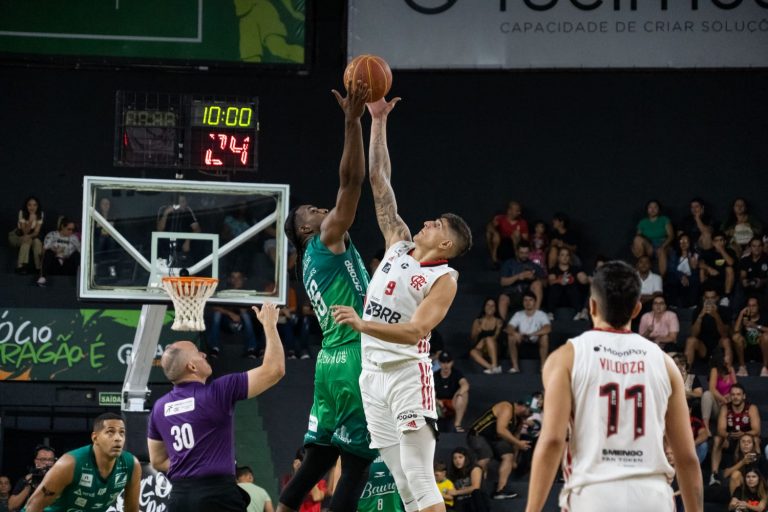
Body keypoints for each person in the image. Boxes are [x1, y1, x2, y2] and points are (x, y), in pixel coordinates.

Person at [332, 95, 472, 512]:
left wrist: (361, 325)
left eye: (436, 225)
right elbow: (379, 180)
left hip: (408, 375)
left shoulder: (443, 279)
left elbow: (416, 331)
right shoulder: (398, 241)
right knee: (400, 481)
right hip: (372, 375)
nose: (426, 222)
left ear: (445, 243)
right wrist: (377, 121)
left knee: (419, 475)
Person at [525, 260, 702, 512]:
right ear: (637, 309)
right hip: (653, 497)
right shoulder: (665, 363)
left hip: (594, 494)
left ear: (592, 305)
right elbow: (686, 458)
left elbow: (553, 440)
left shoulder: (565, 357)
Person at [280, 82, 377, 512]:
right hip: (354, 354)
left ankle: (285, 506)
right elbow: (352, 180)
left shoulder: (313, 261)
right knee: (356, 460)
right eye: (313, 211)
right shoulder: (325, 241)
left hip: (329, 361)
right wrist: (352, 121)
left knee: (321, 452)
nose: (323, 210)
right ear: (304, 230)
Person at [147, 303, 285, 512]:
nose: (203, 354)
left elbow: (157, 461)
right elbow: (275, 370)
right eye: (198, 354)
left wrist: (190, 465)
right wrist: (270, 325)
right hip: (218, 495)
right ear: (192, 367)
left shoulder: (159, 407)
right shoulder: (218, 391)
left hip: (179, 499)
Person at [22, 413, 140, 512]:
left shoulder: (131, 464)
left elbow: (132, 510)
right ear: (95, 438)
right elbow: (33, 506)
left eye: (122, 432)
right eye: (110, 432)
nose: (118, 438)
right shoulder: (70, 463)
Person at [466, 401, 530, 500]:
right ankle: (474, 489)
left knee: (508, 456)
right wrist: (518, 443)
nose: (529, 414)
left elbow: (516, 439)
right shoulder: (507, 407)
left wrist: (514, 459)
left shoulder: (520, 421)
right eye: (528, 410)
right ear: (521, 406)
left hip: (494, 439)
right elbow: (501, 430)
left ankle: (500, 491)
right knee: (486, 456)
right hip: (478, 434)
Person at [711, 384, 761, 487]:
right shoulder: (725, 408)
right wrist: (728, 435)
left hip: (746, 438)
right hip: (731, 438)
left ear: (744, 396)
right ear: (730, 396)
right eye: (733, 394)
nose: (735, 397)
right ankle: (714, 475)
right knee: (717, 439)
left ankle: (758, 471)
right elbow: (720, 429)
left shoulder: (751, 408)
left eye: (738, 394)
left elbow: (757, 430)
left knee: (756, 439)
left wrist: (744, 434)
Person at [206, 271, 262, 359]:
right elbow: (215, 307)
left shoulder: (248, 292)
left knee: (246, 316)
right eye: (233, 277)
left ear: (243, 279)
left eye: (238, 277)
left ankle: (251, 348)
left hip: (243, 323)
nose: (236, 280)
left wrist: (239, 296)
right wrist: (230, 313)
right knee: (217, 314)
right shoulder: (225, 291)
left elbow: (249, 310)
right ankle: (214, 347)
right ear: (229, 280)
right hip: (226, 322)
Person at [684, 286, 733, 367]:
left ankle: (728, 374)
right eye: (707, 298)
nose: (709, 301)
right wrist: (700, 316)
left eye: (712, 298)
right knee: (690, 340)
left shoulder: (724, 310)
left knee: (726, 341)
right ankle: (686, 374)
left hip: (718, 346)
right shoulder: (698, 310)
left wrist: (716, 316)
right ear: (703, 298)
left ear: (717, 298)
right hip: (703, 348)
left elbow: (724, 334)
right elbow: (693, 334)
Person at [506, 291, 551, 374]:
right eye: (525, 300)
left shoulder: (541, 314)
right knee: (511, 336)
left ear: (535, 302)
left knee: (545, 337)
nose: (528, 302)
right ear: (523, 302)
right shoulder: (518, 314)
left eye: (530, 300)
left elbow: (548, 328)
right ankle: (515, 367)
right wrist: (515, 333)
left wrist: (533, 334)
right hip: (522, 339)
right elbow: (509, 328)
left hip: (536, 338)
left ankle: (543, 366)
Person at [498, 242, 546, 319]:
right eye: (521, 253)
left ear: (529, 253)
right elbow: (503, 282)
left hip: (528, 295)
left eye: (526, 253)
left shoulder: (534, 265)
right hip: (512, 294)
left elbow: (545, 283)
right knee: (503, 298)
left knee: (537, 284)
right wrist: (518, 277)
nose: (524, 255)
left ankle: (535, 316)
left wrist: (534, 278)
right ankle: (501, 324)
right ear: (517, 252)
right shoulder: (508, 263)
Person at [156, 193, 201, 268]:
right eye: (179, 202)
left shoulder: (187, 211)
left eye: (183, 201)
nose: (181, 204)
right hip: (164, 250)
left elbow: (197, 230)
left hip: (182, 251)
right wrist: (166, 214)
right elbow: (159, 230)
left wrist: (188, 240)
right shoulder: (163, 209)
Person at [631, 199, 674, 277]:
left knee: (661, 251)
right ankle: (639, 272)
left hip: (662, 244)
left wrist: (662, 246)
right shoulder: (643, 222)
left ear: (659, 209)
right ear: (647, 210)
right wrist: (634, 247)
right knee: (637, 239)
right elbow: (638, 238)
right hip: (649, 246)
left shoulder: (664, 219)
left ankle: (660, 279)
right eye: (650, 207)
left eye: (655, 207)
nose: (653, 209)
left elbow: (671, 236)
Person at [7, 445, 56, 512]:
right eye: (43, 459)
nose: (47, 463)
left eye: (50, 460)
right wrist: (28, 486)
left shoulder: (59, 479)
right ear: (36, 461)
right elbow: (11, 507)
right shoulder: (27, 479)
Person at [36, 217, 80, 287]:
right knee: (48, 252)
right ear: (62, 226)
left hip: (67, 265)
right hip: (55, 264)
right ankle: (43, 276)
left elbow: (80, 252)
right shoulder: (52, 235)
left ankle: (80, 279)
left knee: (77, 254)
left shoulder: (74, 238)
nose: (71, 232)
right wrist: (55, 251)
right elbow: (44, 250)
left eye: (72, 230)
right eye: (69, 229)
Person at [433, 350, 471, 433]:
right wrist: (436, 401)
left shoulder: (456, 373)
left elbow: (465, 385)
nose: (446, 365)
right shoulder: (435, 375)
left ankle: (457, 424)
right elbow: (429, 391)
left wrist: (458, 395)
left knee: (463, 394)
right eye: (443, 362)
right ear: (439, 363)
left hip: (453, 403)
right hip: (439, 406)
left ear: (452, 362)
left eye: (448, 362)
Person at [732, 296, 768, 377]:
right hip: (746, 347)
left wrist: (755, 326)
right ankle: (742, 367)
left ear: (758, 307)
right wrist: (741, 314)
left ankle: (765, 367)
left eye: (754, 306)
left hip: (761, 348)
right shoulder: (744, 317)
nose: (751, 308)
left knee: (766, 337)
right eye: (749, 305)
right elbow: (736, 331)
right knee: (736, 337)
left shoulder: (764, 316)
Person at [486, 200, 528, 266]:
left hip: (513, 246)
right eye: (516, 210)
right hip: (500, 244)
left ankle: (517, 259)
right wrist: (495, 231)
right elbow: (489, 228)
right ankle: (494, 258)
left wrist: (519, 235)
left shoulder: (522, 222)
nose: (519, 213)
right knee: (494, 234)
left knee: (516, 235)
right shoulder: (500, 218)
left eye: (517, 210)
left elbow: (526, 240)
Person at [9, 196, 43, 275]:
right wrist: (30, 221)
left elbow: (36, 232)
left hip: (30, 236)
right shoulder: (22, 213)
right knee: (27, 239)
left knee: (37, 241)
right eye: (29, 205)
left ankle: (39, 268)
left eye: (35, 205)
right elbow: (24, 232)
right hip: (17, 236)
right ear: (26, 206)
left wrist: (29, 236)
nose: (32, 207)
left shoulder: (40, 214)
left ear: (38, 206)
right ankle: (20, 266)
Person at [446, 447, 488, 512]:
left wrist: (456, 492)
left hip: (475, 501)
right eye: (455, 458)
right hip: (461, 502)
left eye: (460, 457)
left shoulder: (475, 469)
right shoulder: (453, 473)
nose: (457, 461)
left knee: (476, 493)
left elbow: (475, 487)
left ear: (466, 458)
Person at [468, 298, 503, 375]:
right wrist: (477, 332)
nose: (490, 307)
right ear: (484, 307)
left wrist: (484, 340)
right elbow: (473, 340)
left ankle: (495, 364)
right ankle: (491, 368)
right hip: (481, 348)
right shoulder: (478, 321)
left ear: (496, 308)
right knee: (472, 352)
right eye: (488, 305)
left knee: (489, 339)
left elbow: (497, 338)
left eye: (492, 306)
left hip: (494, 348)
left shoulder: (498, 321)